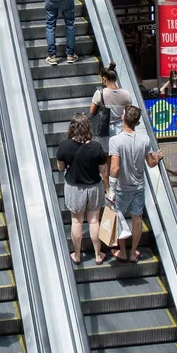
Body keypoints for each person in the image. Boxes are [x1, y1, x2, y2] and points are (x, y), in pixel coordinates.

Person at [108, 106, 162, 263]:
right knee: (137, 218)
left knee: (119, 216)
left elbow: (115, 168)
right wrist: (157, 157)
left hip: (121, 188)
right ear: (137, 123)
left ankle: (123, 251)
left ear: (123, 118)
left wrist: (111, 189)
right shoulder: (144, 139)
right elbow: (151, 163)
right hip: (138, 187)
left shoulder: (115, 141)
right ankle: (133, 253)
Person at [57, 113, 108, 265]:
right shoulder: (96, 147)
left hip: (74, 188)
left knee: (77, 221)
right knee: (94, 221)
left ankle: (77, 255)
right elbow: (103, 171)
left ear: (72, 128)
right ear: (88, 128)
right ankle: (98, 255)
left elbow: (60, 167)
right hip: (94, 188)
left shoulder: (64, 145)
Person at [89, 61, 132, 157]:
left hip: (105, 129)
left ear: (104, 79)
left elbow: (92, 112)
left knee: (106, 156)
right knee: (118, 155)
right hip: (120, 128)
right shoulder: (126, 94)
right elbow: (129, 114)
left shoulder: (100, 93)